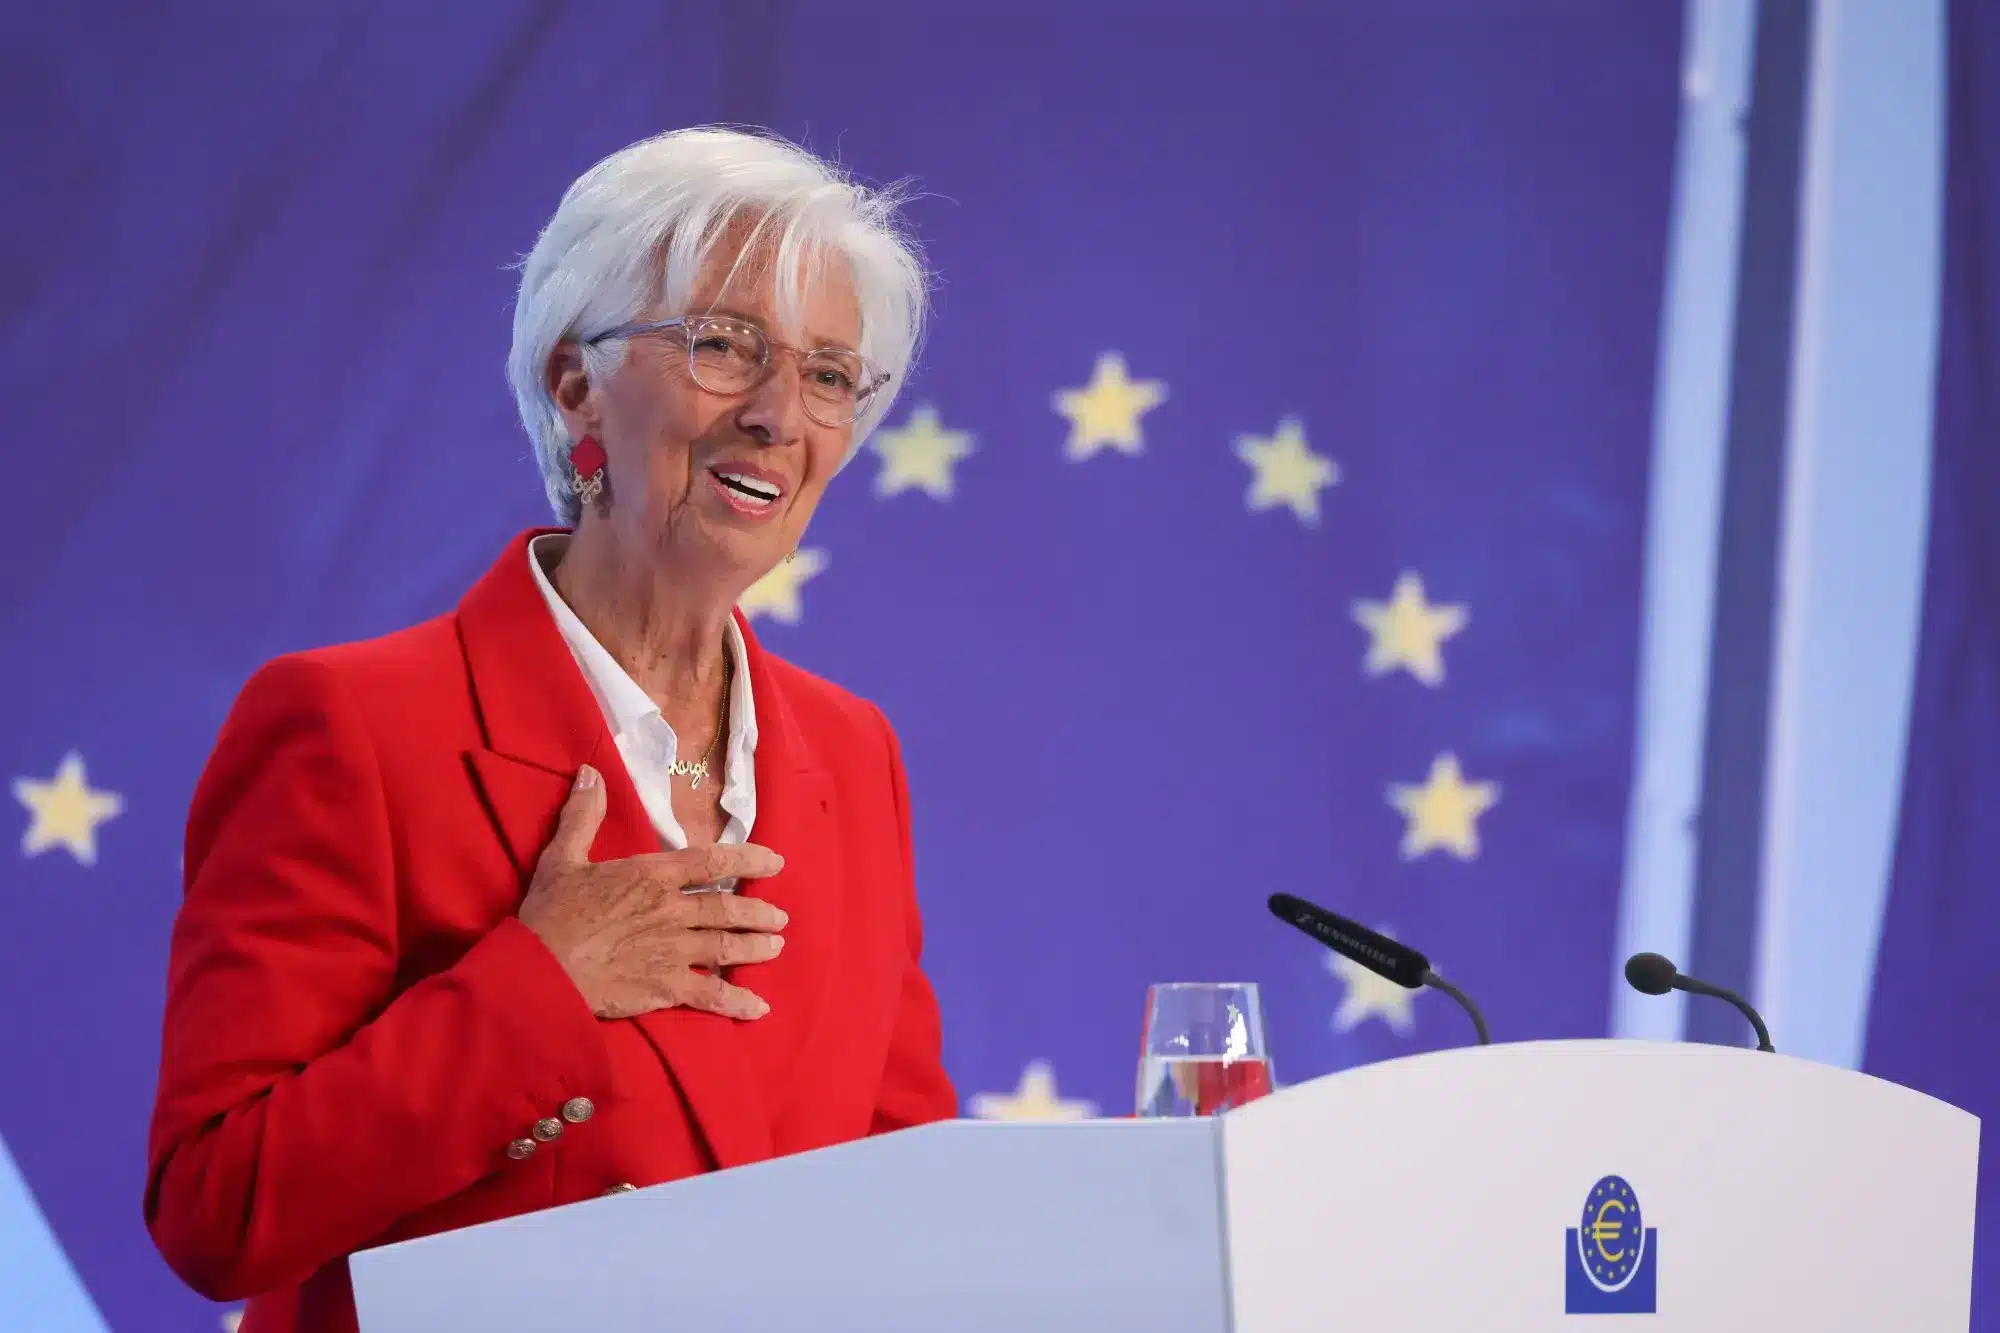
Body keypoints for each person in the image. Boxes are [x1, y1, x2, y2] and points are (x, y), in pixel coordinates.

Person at [144, 127, 957, 1333]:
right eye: (725, 347)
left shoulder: (850, 751)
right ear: (574, 382)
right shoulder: (353, 724)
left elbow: (906, 1187)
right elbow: (218, 1208)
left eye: (831, 375)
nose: (781, 415)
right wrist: (537, 988)